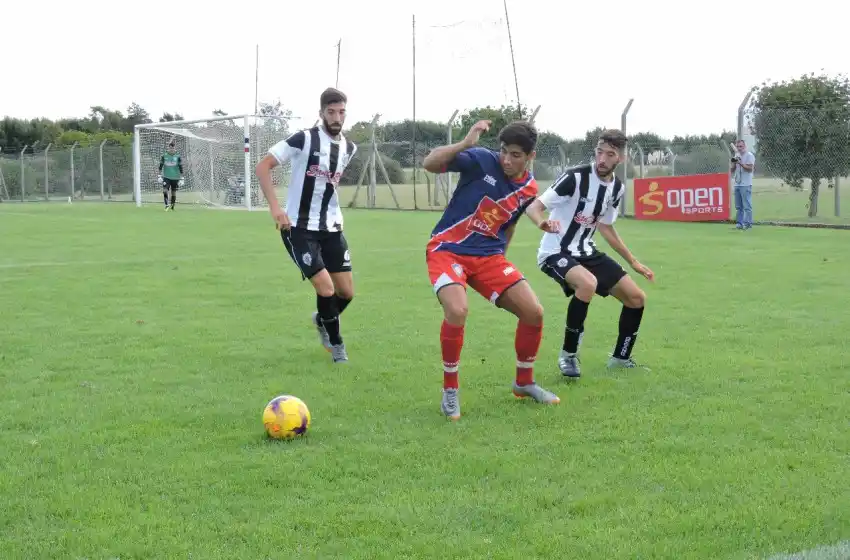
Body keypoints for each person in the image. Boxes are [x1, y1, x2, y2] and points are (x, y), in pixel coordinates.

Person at [423, 118, 561, 421]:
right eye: (504, 151)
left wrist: (510, 252)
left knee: (533, 312)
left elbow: (508, 223)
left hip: (488, 257)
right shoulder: (481, 160)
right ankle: (450, 391)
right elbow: (429, 164)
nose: (507, 160)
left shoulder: (528, 188)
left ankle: (524, 383)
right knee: (457, 311)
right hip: (447, 250)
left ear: (530, 157)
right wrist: (464, 144)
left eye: (515, 154)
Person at [525, 129, 654, 379]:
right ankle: (568, 356)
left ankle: (620, 359)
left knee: (636, 298)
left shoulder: (616, 188)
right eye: (599, 152)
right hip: (555, 251)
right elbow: (535, 206)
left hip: (586, 251)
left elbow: (606, 227)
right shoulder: (574, 177)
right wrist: (541, 222)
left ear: (621, 159)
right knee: (587, 284)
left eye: (610, 154)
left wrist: (633, 261)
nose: (602, 159)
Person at [255, 87, 357, 364]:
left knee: (346, 293)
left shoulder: (349, 148)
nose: (337, 117)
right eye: (331, 112)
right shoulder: (303, 139)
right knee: (325, 288)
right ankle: (337, 347)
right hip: (298, 227)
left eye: (341, 112)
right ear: (321, 113)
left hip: (332, 227)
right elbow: (263, 166)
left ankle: (323, 319)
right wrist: (276, 208)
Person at [731, 139, 755, 230]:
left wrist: (740, 163)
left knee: (747, 206)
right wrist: (733, 163)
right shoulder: (736, 155)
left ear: (744, 146)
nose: (739, 148)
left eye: (741, 146)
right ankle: (739, 224)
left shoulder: (749, 156)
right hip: (737, 183)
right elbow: (732, 170)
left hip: (746, 184)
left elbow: (749, 169)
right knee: (738, 206)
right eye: (738, 146)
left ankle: (748, 224)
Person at [158, 140, 184, 211]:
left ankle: (172, 206)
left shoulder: (178, 156)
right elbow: (160, 166)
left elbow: (181, 167)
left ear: (174, 148)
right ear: (168, 148)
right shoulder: (164, 156)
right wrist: (159, 176)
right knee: (165, 190)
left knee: (173, 192)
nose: (171, 149)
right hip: (166, 177)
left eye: (173, 148)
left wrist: (182, 178)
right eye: (170, 148)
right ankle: (166, 205)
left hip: (175, 177)